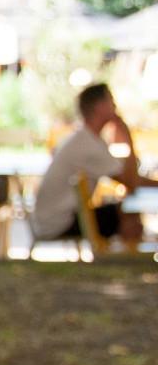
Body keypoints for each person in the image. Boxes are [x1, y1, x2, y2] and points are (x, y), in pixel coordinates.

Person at [33, 83, 156, 244]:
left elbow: (130, 179)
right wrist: (128, 138)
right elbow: (131, 183)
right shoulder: (88, 144)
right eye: (110, 100)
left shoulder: (86, 138)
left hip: (49, 219)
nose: (115, 105)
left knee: (122, 209)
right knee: (127, 215)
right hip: (57, 222)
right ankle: (127, 264)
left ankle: (125, 262)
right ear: (99, 107)